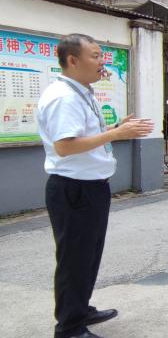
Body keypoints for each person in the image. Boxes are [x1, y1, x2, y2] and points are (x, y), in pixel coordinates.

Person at [37, 33, 154, 338]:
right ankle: (69, 328)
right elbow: (65, 146)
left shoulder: (81, 92)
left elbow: (83, 136)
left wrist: (116, 127)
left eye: (102, 55)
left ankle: (79, 309)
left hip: (90, 187)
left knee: (87, 255)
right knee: (74, 259)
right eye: (95, 55)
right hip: (74, 189)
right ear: (72, 60)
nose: (102, 62)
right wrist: (115, 135)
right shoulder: (63, 97)